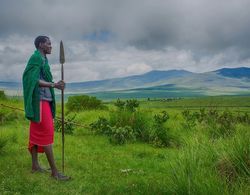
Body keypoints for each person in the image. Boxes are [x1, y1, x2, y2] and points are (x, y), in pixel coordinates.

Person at [22, 35, 70, 181]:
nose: (51, 46)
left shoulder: (43, 59)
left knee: (36, 133)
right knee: (47, 134)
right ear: (41, 44)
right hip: (39, 102)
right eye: (49, 44)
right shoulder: (36, 58)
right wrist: (53, 85)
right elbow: (32, 79)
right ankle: (55, 173)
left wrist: (56, 83)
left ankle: (35, 166)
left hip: (44, 100)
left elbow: (43, 78)